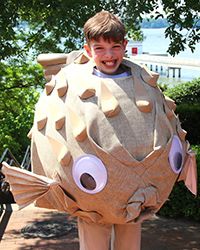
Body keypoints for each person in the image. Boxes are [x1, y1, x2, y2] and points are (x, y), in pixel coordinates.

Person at [2, 10, 197, 250]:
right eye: (100, 48)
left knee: (129, 243)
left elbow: (167, 124)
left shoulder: (143, 80)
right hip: (90, 202)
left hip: (137, 198)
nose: (109, 55)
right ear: (87, 49)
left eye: (115, 47)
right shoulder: (73, 82)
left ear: (125, 45)